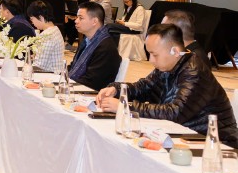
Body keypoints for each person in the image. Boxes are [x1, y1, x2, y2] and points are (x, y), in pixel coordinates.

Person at [95, 24, 238, 146]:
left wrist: (125, 107)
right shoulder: (168, 66)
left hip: (216, 143)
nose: (151, 60)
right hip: (185, 135)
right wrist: (116, 89)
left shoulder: (194, 71)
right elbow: (144, 87)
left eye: (155, 55)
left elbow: (174, 113)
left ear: (175, 51)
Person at [67, 1, 120, 91]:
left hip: (91, 93)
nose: (76, 21)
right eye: (77, 17)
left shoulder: (105, 47)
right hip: (78, 87)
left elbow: (92, 82)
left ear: (94, 21)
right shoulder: (87, 40)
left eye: (81, 18)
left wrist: (66, 84)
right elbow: (73, 66)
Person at [26, 0, 66, 73]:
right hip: (55, 72)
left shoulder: (47, 36)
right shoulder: (55, 29)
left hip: (50, 75)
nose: (32, 23)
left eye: (32, 19)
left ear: (40, 17)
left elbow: (39, 66)